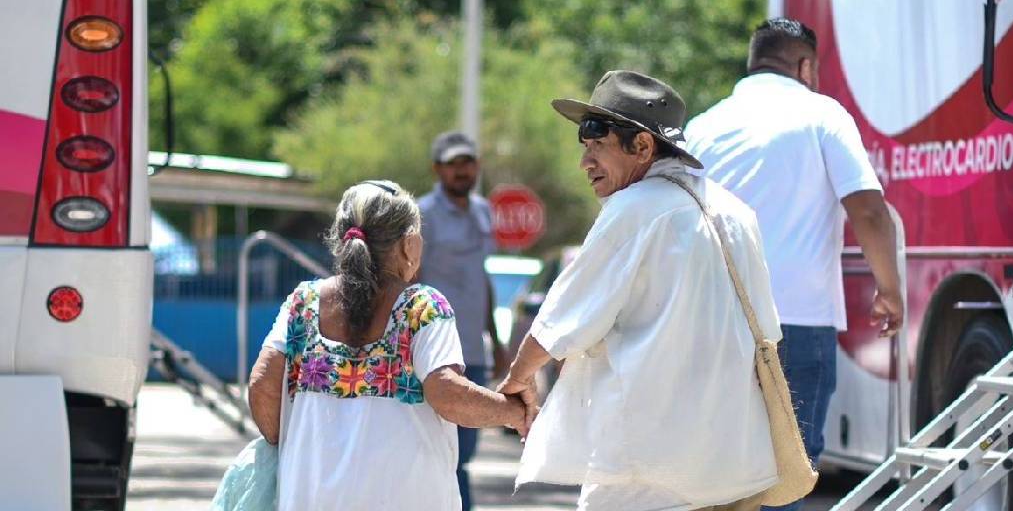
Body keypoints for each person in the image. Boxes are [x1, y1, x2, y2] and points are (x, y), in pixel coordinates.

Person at [500, 70, 782, 511]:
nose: (585, 162)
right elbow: (768, 331)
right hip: (730, 467)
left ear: (643, 147)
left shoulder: (633, 208)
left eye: (597, 145)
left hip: (646, 472)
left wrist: (517, 380)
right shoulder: (737, 212)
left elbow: (561, 323)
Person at [684, 18, 904, 510]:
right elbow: (868, 209)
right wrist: (890, 289)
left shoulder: (703, 127)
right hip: (796, 324)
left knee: (718, 475)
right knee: (789, 476)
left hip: (713, 326)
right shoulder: (821, 114)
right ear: (804, 65)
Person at [247, 180, 530, 511]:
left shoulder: (303, 302)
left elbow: (262, 385)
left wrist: (302, 450)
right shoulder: (424, 307)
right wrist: (516, 411)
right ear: (409, 244)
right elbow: (447, 394)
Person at [417, 131, 507, 511]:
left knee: (462, 457)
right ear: (437, 169)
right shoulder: (421, 214)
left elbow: (480, 277)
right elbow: (409, 277)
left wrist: (497, 339)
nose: (461, 170)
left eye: (467, 162)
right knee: (434, 456)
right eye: (452, 163)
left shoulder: (484, 210)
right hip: (433, 353)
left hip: (473, 351)